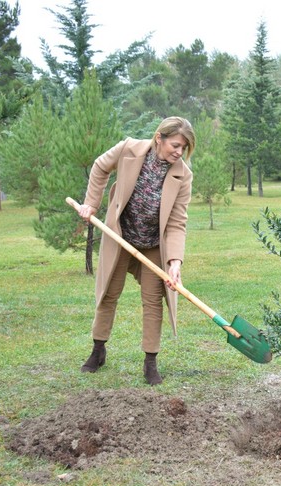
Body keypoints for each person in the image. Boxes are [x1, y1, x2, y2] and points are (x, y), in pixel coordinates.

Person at [75, 116, 195, 385]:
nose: (179, 152)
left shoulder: (183, 175)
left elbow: (177, 221)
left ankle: (150, 362)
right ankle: (98, 350)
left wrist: (175, 262)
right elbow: (100, 166)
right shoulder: (129, 149)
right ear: (159, 138)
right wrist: (91, 204)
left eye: (183, 148)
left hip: (153, 244)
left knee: (153, 301)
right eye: (175, 145)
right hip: (120, 237)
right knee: (109, 293)